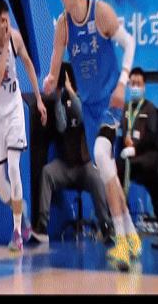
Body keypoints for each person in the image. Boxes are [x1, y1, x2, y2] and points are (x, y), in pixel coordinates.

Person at [43, 0, 139, 271]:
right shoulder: (63, 25)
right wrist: (50, 79)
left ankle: (122, 241)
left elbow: (130, 43)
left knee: (100, 155)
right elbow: (55, 63)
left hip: (111, 99)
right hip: (90, 108)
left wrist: (123, 83)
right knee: (108, 171)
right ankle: (131, 235)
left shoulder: (101, 13)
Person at [0, 0, 47, 252]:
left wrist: (38, 99)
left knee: (15, 168)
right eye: (2, 21)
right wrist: (5, 48)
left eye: (8, 20)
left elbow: (27, 63)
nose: (6, 25)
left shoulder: (15, 38)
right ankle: (22, 212)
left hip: (14, 111)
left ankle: (17, 232)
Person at [31, 66, 113, 244]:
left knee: (97, 179)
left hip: (85, 167)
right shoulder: (60, 102)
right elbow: (61, 126)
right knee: (47, 173)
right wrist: (59, 98)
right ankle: (42, 226)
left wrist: (70, 91)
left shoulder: (86, 101)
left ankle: (106, 226)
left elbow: (83, 117)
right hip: (65, 166)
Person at [117, 67, 158, 236]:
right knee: (115, 173)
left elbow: (153, 137)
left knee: (157, 183)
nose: (135, 87)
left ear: (144, 86)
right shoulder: (125, 109)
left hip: (148, 156)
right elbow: (122, 132)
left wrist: (135, 148)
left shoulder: (150, 109)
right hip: (129, 158)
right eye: (132, 83)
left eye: (138, 84)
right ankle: (120, 223)